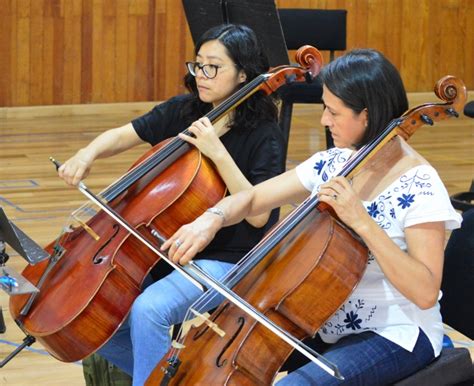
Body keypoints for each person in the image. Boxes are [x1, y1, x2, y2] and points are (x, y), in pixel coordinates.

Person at [162, 49, 462, 385]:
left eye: (333, 111)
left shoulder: (421, 184)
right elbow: (254, 198)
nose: (323, 120)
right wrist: (212, 218)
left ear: (366, 115)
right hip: (321, 318)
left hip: (397, 332)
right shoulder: (336, 163)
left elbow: (424, 291)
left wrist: (362, 221)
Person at [58, 24, 285, 385]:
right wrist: (88, 154)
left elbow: (259, 216)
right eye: (198, 65)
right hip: (166, 248)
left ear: (244, 74)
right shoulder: (185, 110)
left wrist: (218, 152)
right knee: (91, 316)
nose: (201, 75)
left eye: (214, 67)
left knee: (149, 310)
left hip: (227, 258)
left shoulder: (264, 134)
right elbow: (123, 134)